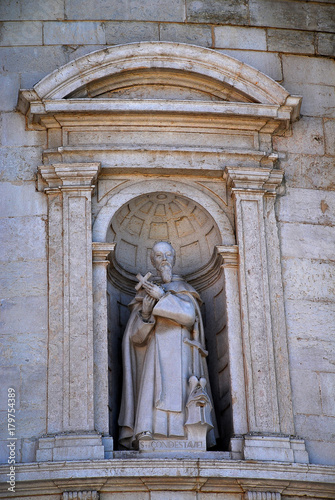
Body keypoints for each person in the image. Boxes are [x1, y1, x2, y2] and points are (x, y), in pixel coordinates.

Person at [118, 241, 216, 449]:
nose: (164, 260)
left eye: (168, 255)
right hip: (153, 352)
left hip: (182, 350)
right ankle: (148, 431)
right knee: (154, 389)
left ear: (174, 258)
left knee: (181, 389)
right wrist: (145, 313)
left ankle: (187, 435)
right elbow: (135, 339)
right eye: (159, 256)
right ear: (152, 261)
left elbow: (189, 316)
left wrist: (162, 297)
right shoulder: (143, 293)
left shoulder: (185, 290)